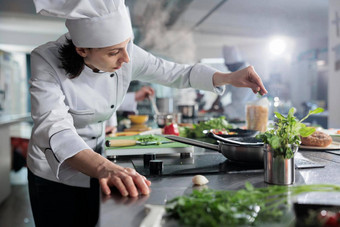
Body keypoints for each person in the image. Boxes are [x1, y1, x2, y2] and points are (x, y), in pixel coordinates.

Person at [28, 0, 267, 226]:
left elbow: (176, 73)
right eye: (114, 53)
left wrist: (228, 77)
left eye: (126, 45)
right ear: (82, 49)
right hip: (55, 173)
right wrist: (104, 167)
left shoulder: (125, 52)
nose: (126, 58)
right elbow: (55, 128)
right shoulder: (45, 61)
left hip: (100, 160)